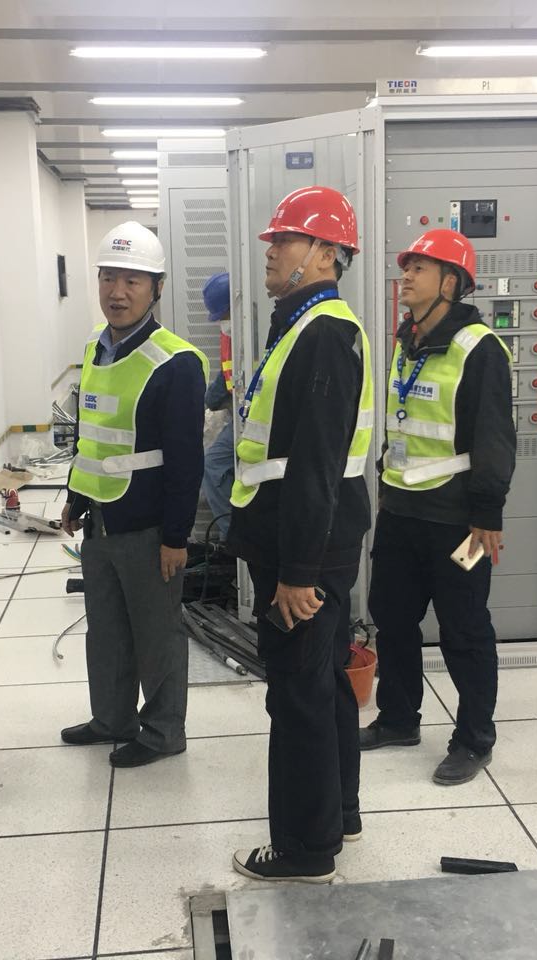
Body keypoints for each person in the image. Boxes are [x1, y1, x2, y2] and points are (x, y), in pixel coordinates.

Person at [227, 186, 374, 883]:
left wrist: (297, 574)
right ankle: (338, 813)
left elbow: (315, 464)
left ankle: (305, 849)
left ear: (323, 253)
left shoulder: (322, 334)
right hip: (310, 539)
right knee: (324, 681)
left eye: (284, 239)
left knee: (297, 694)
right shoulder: (305, 325)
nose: (271, 250)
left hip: (306, 548)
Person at [359, 229, 516, 786]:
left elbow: (495, 438)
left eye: (419, 268)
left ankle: (473, 739)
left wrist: (487, 515)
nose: (405, 276)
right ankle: (399, 718)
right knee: (393, 619)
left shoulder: (479, 348)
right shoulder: (408, 340)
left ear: (451, 282)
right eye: (406, 267)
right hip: (402, 511)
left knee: (464, 630)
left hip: (459, 520)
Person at [59, 222, 208, 768]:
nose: (117, 292)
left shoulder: (176, 363)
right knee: (106, 630)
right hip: (100, 520)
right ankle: (112, 719)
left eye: (132, 281)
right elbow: (90, 434)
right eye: (108, 278)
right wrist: (75, 497)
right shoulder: (95, 350)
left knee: (156, 633)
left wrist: (176, 538)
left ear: (156, 288)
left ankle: (164, 731)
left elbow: (186, 462)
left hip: (148, 529)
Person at [200, 272, 235, 541]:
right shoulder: (231, 332)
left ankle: (232, 535)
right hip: (241, 413)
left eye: (224, 315)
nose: (222, 322)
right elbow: (227, 373)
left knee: (213, 464)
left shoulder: (252, 328)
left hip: (254, 417)